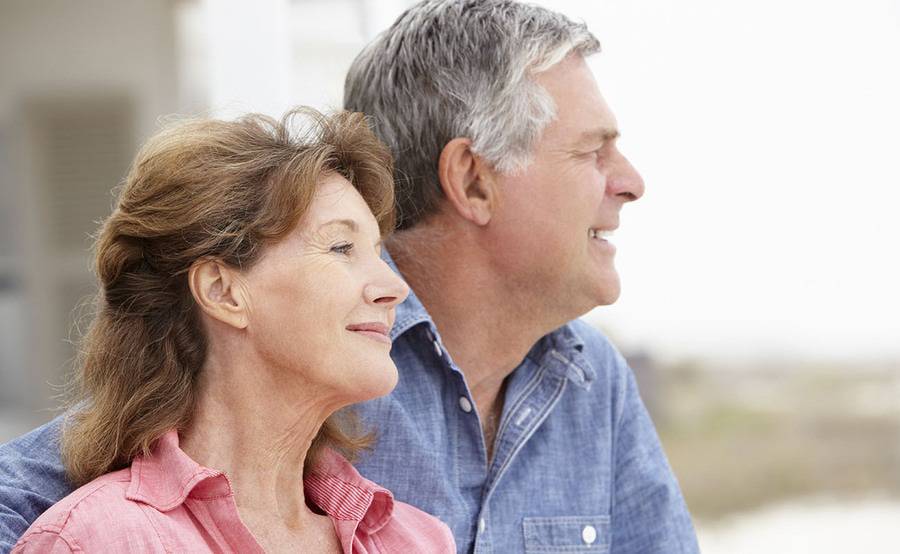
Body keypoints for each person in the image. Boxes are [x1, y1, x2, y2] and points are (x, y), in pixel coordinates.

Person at [0, 1, 699, 553]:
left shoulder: (591, 380)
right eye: (591, 151)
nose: (630, 182)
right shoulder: (315, 349)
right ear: (472, 181)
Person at [7, 108, 455, 553]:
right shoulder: (97, 541)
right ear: (222, 291)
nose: (394, 288)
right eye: (341, 247)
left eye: (376, 253)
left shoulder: (419, 541)